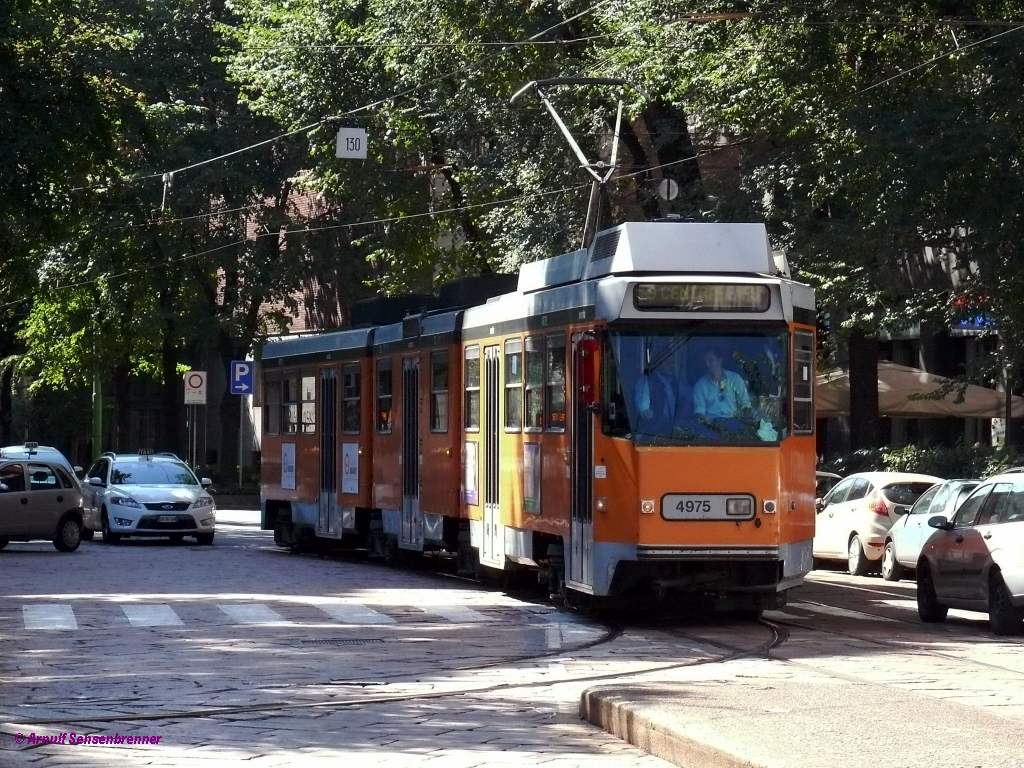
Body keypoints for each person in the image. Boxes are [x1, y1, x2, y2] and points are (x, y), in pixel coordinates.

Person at [693, 348, 752, 421]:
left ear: (720, 360)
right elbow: (699, 412)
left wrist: (745, 420)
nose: (707, 364)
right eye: (705, 361)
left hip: (734, 422)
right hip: (711, 425)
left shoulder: (735, 379)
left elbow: (746, 404)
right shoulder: (700, 385)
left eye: (710, 360)